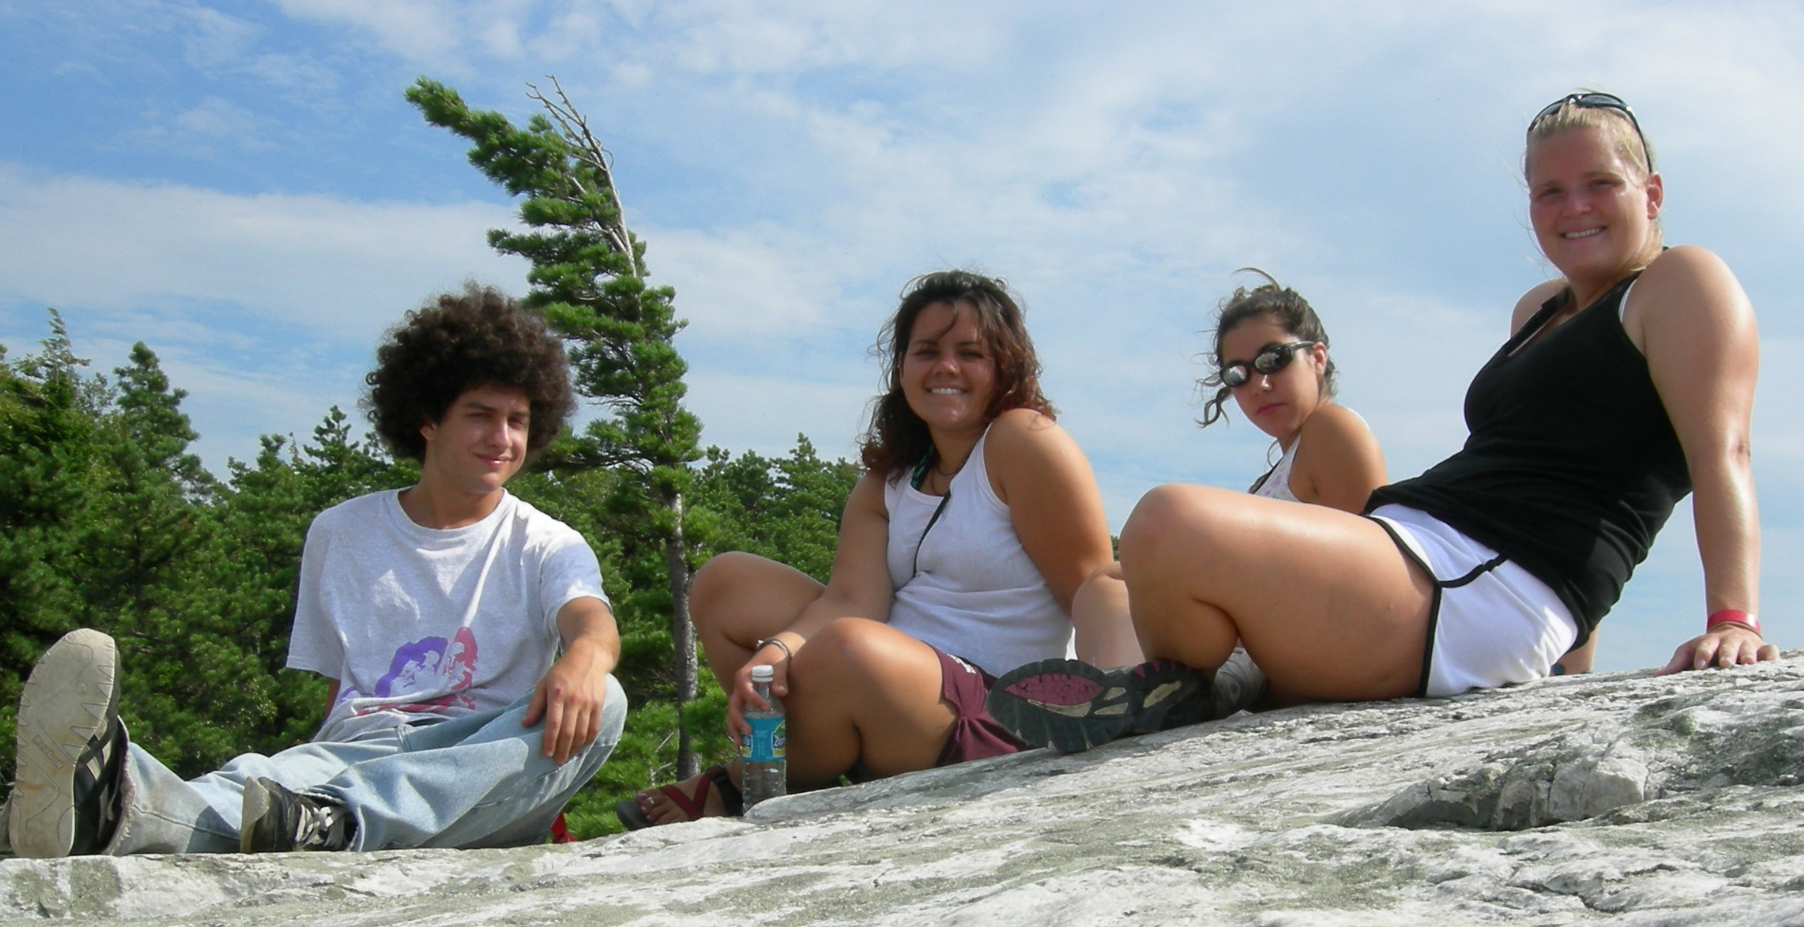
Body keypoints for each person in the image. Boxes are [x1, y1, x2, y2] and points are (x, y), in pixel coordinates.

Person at [987, 91, 1776, 752]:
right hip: (1428, 551)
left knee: (1169, 521)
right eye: (1547, 191)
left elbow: (1721, 451)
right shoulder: (1539, 311)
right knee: (1140, 565)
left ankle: (1203, 686)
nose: (1572, 207)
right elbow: (1535, 456)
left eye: (1599, 183)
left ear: (1654, 193)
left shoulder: (1679, 282)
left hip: (1478, 590)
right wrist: (1572, 668)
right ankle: (1207, 684)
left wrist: (1732, 616)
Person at [5, 284, 627, 856]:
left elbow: (590, 620)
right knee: (250, 783)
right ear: (427, 419)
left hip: (480, 761)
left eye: (517, 421)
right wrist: (309, 769)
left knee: (610, 699)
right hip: (351, 752)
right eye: (479, 415)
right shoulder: (341, 531)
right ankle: (111, 799)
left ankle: (345, 823)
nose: (502, 437)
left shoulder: (547, 541)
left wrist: (583, 659)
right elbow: (341, 687)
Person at [617, 270, 1124, 827]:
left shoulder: (1023, 442)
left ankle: (739, 784)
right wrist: (780, 651)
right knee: (725, 583)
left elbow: (1093, 586)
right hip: (891, 669)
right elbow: (850, 599)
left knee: (850, 649)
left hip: (996, 710)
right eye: (926, 351)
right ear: (901, 368)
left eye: (971, 353)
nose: (946, 367)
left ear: (1006, 365)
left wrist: (1119, 717)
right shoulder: (887, 481)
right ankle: (809, 746)